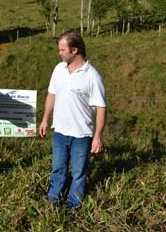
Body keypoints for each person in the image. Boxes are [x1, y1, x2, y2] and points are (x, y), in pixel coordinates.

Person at [39, 31, 107, 212]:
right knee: (58, 169)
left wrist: (97, 137)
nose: (59, 53)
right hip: (60, 132)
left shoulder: (92, 76)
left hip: (81, 135)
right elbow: (52, 94)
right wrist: (45, 119)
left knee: (78, 174)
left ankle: (73, 207)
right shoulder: (58, 69)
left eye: (62, 49)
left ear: (74, 50)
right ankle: (52, 202)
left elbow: (101, 108)